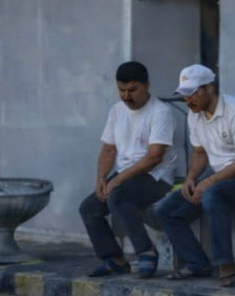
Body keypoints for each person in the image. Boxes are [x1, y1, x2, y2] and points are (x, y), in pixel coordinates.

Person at [153, 65, 235, 286]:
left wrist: (208, 181)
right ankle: (197, 263)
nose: (188, 99)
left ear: (209, 88)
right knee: (166, 209)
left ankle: (225, 263)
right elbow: (199, 152)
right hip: (223, 176)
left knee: (212, 194)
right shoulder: (194, 115)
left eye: (193, 93)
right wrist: (191, 179)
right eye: (184, 94)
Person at [78, 61, 184, 278]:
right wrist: (101, 178)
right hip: (127, 176)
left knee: (117, 195)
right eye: (121, 90)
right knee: (89, 208)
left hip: (157, 177)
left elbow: (154, 157)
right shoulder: (117, 111)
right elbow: (108, 149)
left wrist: (117, 181)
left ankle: (146, 251)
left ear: (147, 85)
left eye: (132, 90)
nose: (126, 96)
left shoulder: (160, 112)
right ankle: (115, 259)